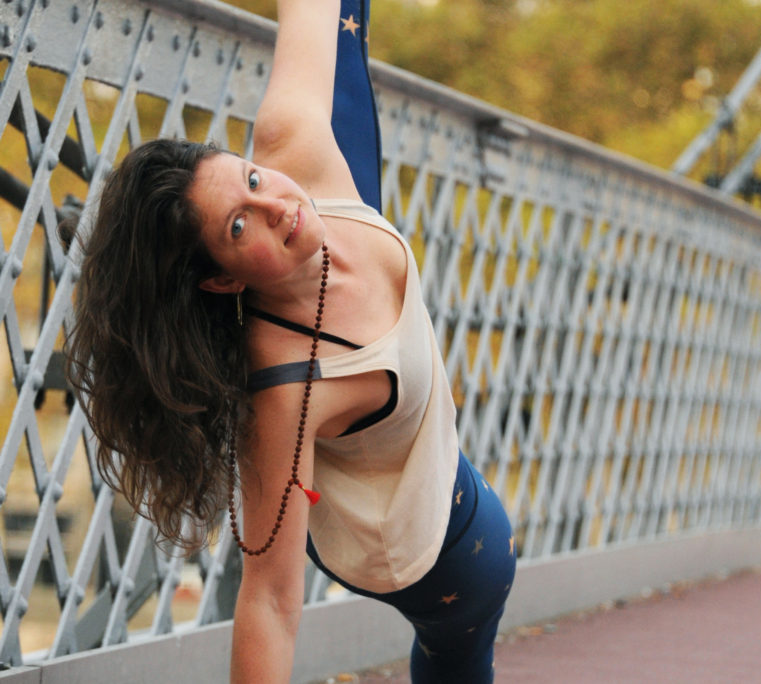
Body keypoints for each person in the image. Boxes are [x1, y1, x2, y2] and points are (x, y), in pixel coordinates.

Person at [67, 1, 515, 682]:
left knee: (339, 49)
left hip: (434, 468)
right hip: (414, 547)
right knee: (464, 629)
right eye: (239, 228)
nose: (276, 207)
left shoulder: (291, 161)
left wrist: (262, 188)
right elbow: (271, 602)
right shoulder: (286, 390)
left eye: (249, 179)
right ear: (220, 283)